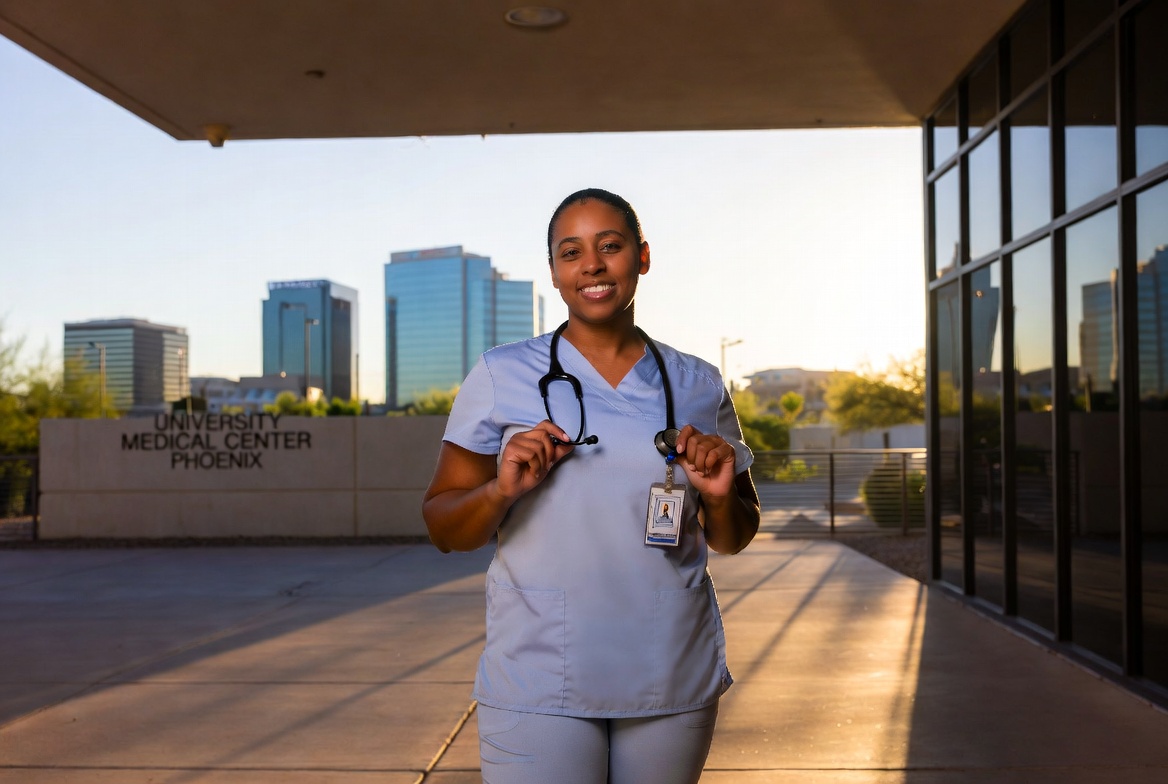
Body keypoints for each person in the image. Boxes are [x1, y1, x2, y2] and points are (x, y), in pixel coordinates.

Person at [422, 188, 760, 784]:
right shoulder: (502, 374)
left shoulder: (699, 383)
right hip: (537, 668)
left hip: (669, 665)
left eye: (611, 246)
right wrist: (500, 492)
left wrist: (716, 493)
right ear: (553, 270)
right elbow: (445, 527)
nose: (593, 266)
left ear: (642, 257)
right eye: (571, 252)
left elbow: (735, 536)